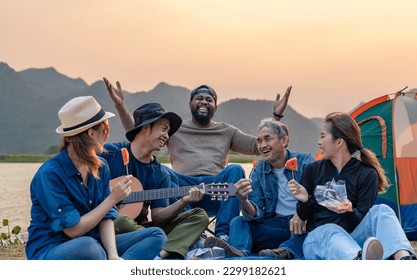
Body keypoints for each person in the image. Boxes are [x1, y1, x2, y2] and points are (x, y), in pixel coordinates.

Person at [103, 77, 291, 239]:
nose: (204, 101)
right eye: (199, 98)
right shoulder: (174, 130)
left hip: (217, 190)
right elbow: (138, 135)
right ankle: (192, 231)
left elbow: (260, 145)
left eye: (209, 99)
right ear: (190, 104)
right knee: (165, 172)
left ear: (215, 106)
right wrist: (120, 106)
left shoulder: (227, 131)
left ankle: (222, 234)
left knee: (235, 170)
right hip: (182, 189)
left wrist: (276, 117)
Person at [26, 96, 167, 260]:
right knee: (90, 248)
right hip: (53, 248)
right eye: (105, 128)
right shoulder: (50, 175)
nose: (108, 134)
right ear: (92, 133)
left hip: (93, 242)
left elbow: (106, 217)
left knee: (157, 235)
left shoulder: (101, 166)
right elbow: (73, 230)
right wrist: (112, 199)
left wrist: (113, 255)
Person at [287, 112, 416, 260]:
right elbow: (303, 216)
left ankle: (404, 259)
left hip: (353, 238)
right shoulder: (313, 169)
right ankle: (358, 260)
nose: (319, 142)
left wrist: (348, 211)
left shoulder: (367, 174)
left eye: (323, 136)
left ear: (339, 142)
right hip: (318, 239)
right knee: (331, 229)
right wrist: (305, 200)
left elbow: (359, 219)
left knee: (382, 210)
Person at [100, 101, 209, 259]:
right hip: (108, 225)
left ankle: (160, 253)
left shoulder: (160, 173)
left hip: (140, 229)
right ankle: (163, 245)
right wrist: (108, 196)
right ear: (145, 127)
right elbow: (81, 178)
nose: (167, 135)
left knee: (199, 216)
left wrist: (183, 201)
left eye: (168, 131)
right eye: (164, 129)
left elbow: (158, 217)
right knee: (119, 219)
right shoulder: (110, 153)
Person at [203, 118, 315, 257]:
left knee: (315, 227)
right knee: (238, 221)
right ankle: (239, 253)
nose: (262, 145)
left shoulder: (305, 162)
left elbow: (318, 198)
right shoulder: (259, 170)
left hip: (304, 224)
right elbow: (257, 214)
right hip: (277, 226)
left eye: (267, 139)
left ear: (284, 141)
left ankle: (286, 250)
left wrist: (301, 214)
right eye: (259, 141)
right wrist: (243, 200)